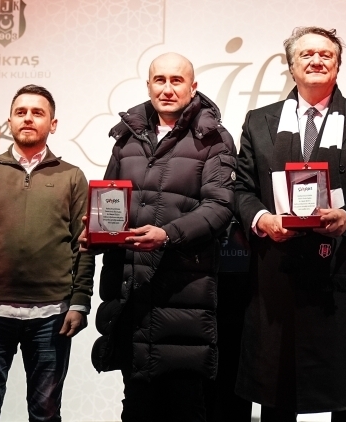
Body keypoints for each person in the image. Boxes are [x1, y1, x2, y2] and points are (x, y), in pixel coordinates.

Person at [234, 27, 346, 421]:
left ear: (338, 66)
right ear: (291, 67)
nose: (316, 60)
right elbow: (241, 188)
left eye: (326, 54)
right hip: (278, 268)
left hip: (344, 267)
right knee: (277, 390)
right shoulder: (260, 121)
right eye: (306, 54)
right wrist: (262, 219)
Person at [87, 52, 236, 421]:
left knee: (186, 405)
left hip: (183, 291)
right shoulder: (126, 137)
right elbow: (110, 202)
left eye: (176, 80)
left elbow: (220, 207)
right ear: (149, 85)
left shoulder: (214, 138)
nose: (167, 89)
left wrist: (167, 235)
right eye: (160, 80)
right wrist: (95, 234)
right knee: (136, 405)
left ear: (193, 87)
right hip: (132, 291)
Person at [0, 84, 95, 422]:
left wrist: (79, 301)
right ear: (9, 121)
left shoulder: (72, 177)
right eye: (21, 112)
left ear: (52, 124)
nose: (28, 118)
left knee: (46, 415)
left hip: (52, 314)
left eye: (37, 112)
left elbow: (84, 244)